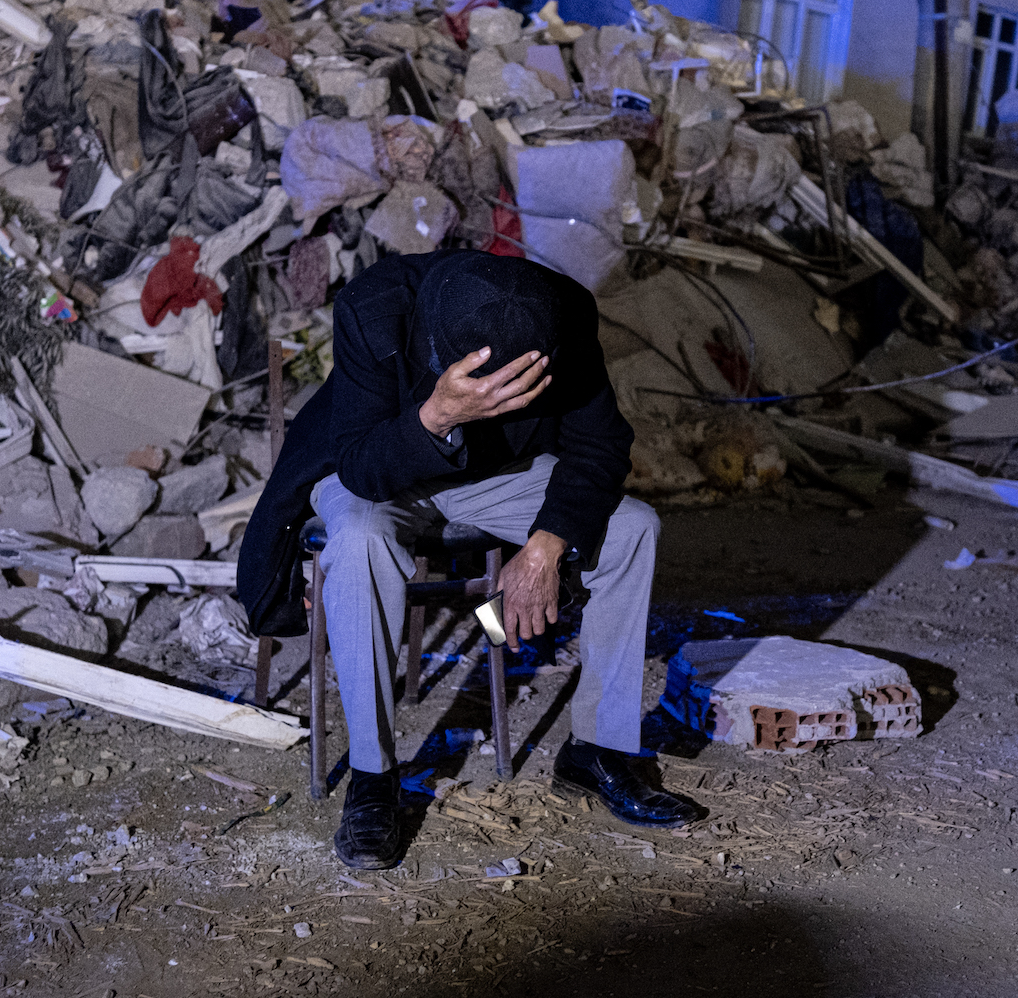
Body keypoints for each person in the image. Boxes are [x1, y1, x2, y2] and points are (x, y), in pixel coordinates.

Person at [238, 250, 702, 870]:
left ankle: (598, 749)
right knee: (361, 541)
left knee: (633, 529)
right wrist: (441, 414)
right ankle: (374, 777)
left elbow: (601, 445)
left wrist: (543, 547)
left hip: (489, 473)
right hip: (376, 461)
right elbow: (359, 464)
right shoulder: (374, 309)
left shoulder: (559, 314)